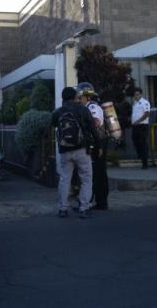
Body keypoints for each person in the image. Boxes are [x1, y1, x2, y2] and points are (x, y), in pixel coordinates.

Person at [51, 86, 99, 218]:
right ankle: (84, 208)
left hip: (65, 150)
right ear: (75, 97)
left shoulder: (58, 112)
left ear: (62, 98)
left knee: (65, 179)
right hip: (82, 149)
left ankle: (62, 209)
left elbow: (54, 125)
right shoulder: (83, 109)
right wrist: (98, 145)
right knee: (86, 178)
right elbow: (93, 129)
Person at [78, 82, 109, 211]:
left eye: (81, 97)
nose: (79, 99)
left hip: (98, 144)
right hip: (95, 143)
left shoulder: (93, 107)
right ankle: (95, 201)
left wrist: (99, 146)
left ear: (88, 96)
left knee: (98, 173)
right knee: (94, 173)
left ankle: (101, 202)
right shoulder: (88, 107)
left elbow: (96, 125)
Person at [131, 88, 152, 169]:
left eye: (137, 94)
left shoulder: (144, 102)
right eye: (135, 95)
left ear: (140, 94)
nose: (135, 96)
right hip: (135, 126)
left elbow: (147, 113)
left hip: (142, 125)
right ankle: (140, 155)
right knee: (135, 140)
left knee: (143, 143)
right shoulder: (135, 103)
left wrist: (139, 121)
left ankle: (145, 163)